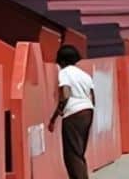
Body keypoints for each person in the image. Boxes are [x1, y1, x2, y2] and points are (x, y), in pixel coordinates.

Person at [48, 45, 94, 179]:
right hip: (88, 110)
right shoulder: (85, 74)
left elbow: (66, 94)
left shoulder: (64, 73)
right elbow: (93, 96)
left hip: (73, 114)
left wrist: (55, 116)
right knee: (79, 152)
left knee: (72, 155)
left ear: (61, 61)